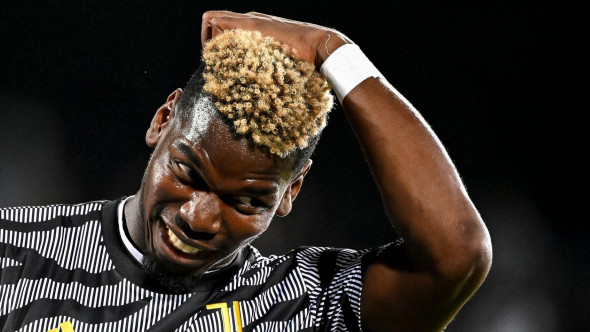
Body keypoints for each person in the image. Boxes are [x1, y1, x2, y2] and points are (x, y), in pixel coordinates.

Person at [0, 10, 492, 332]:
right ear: (163, 119)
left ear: (290, 192)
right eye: (188, 173)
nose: (198, 217)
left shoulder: (300, 304)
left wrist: (335, 52)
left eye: (246, 202)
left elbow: (457, 254)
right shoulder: (14, 253)